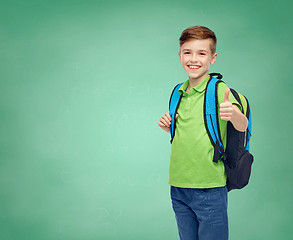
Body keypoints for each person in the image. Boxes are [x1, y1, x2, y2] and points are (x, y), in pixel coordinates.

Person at [158, 26, 248, 240]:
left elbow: (242, 125)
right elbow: (189, 132)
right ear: (180, 56)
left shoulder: (218, 90)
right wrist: (167, 127)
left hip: (209, 187)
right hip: (178, 186)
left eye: (202, 53)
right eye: (187, 52)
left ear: (213, 58)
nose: (193, 59)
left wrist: (233, 113)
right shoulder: (178, 91)